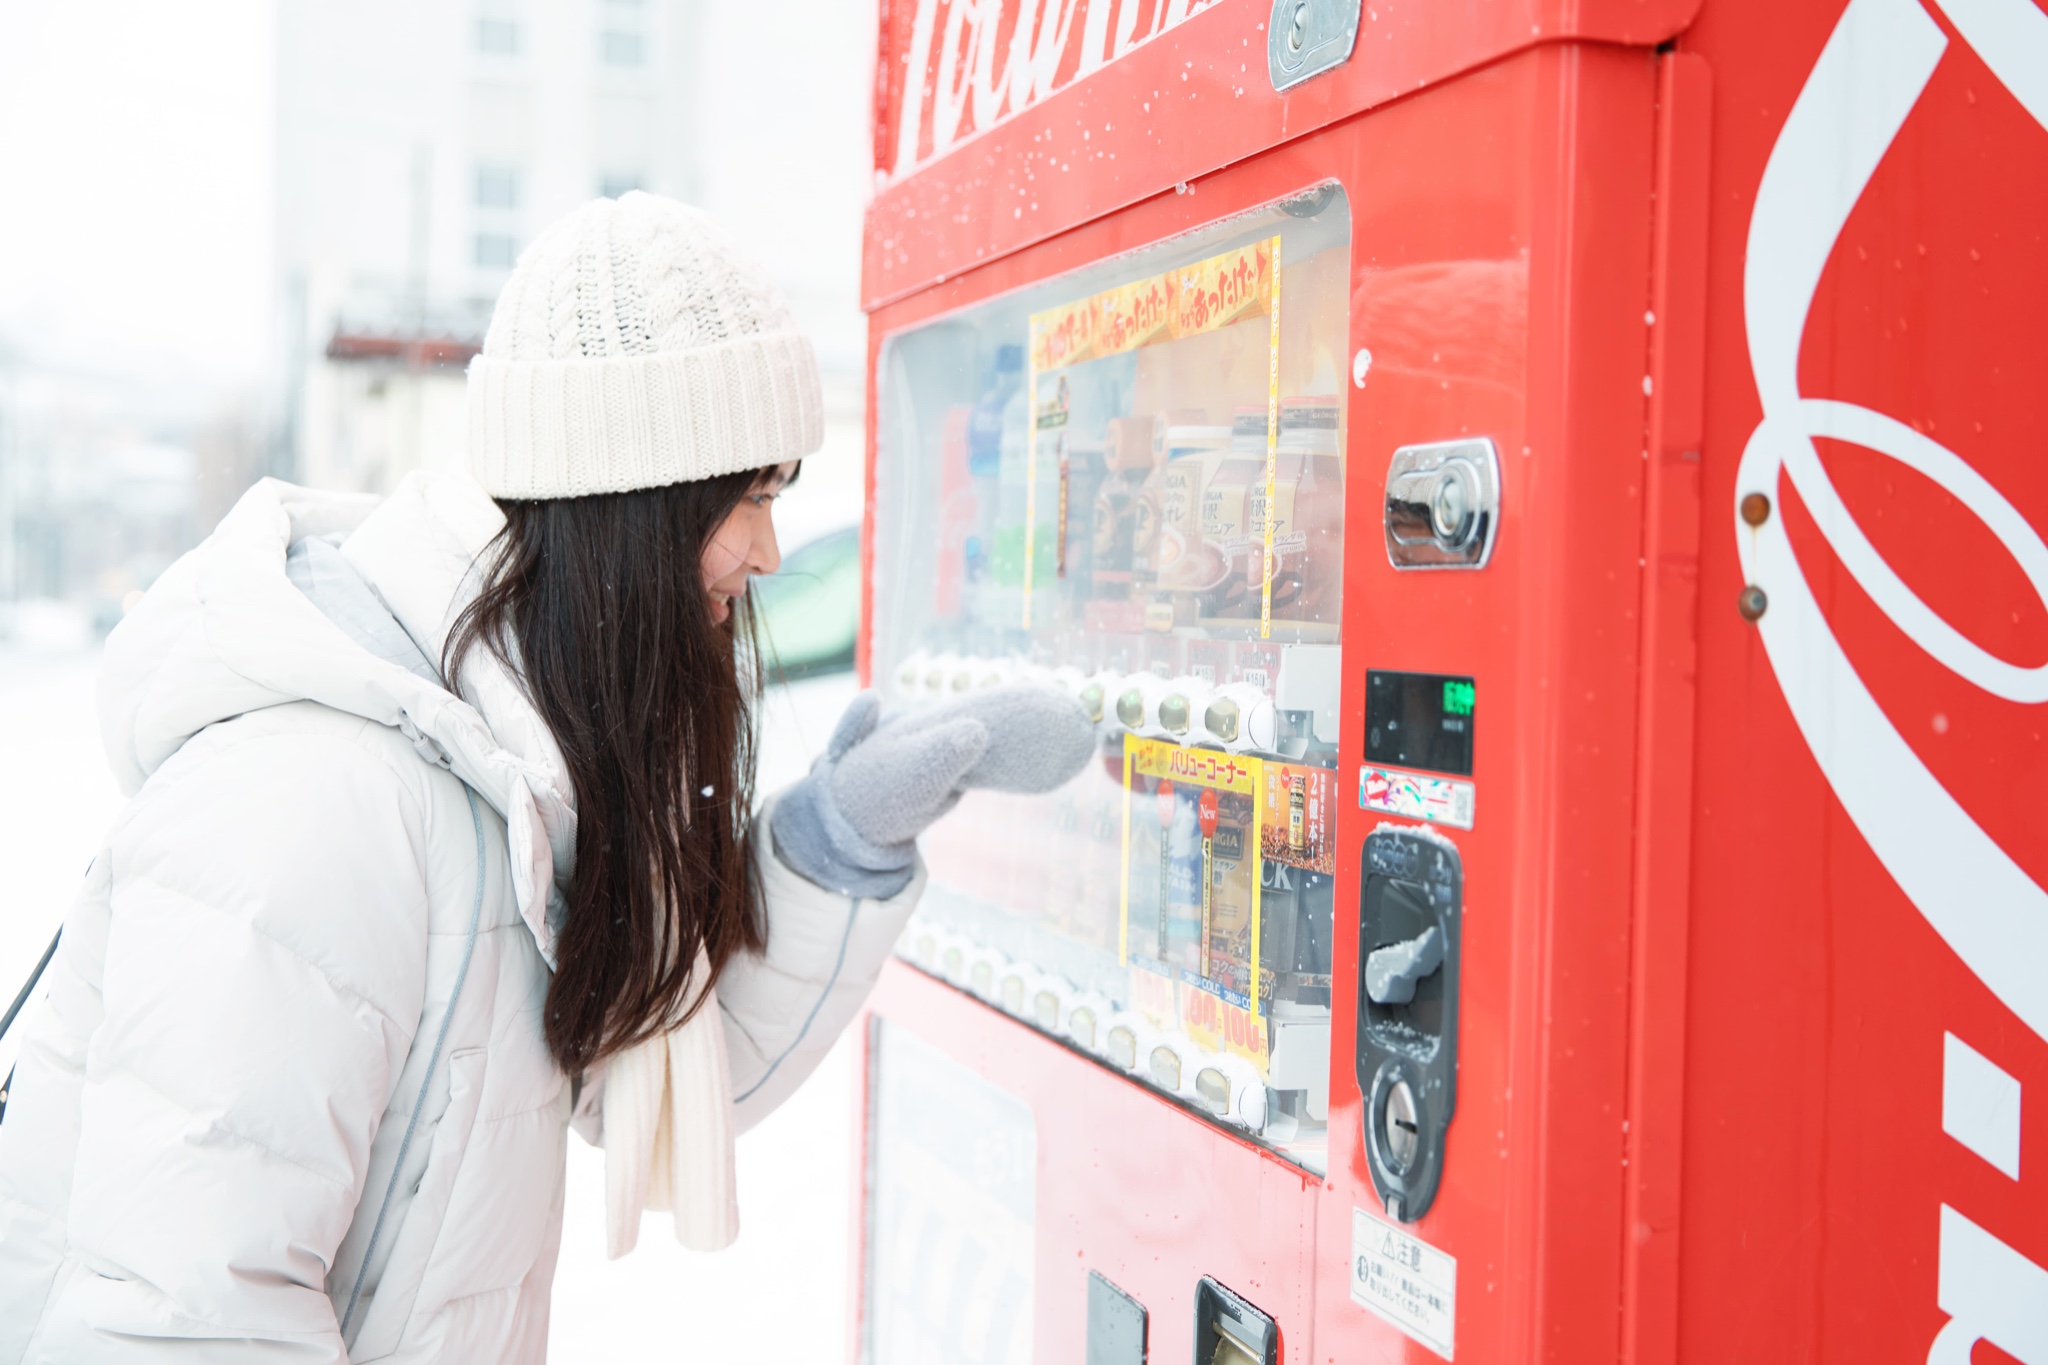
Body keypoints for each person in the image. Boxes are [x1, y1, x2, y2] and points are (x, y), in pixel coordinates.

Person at [0, 192, 1094, 1362]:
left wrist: (837, 840)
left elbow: (650, 1050)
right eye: (751, 495)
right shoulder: (318, 797)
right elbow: (176, 1326)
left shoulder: (516, 770)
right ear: (636, 499)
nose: (769, 552)